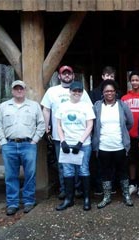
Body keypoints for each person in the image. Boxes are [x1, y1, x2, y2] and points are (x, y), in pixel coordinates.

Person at [0, 80, 45, 216]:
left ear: (25, 90)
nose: (19, 91)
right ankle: (12, 203)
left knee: (30, 174)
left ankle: (29, 201)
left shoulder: (34, 106)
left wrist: (34, 140)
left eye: (21, 88)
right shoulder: (4, 106)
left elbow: (41, 124)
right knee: (11, 176)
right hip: (9, 145)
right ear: (12, 91)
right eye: (16, 89)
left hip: (28, 145)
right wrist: (3, 142)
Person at [41, 65, 92, 200]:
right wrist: (47, 128)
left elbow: (89, 110)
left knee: (78, 164)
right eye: (64, 73)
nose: (67, 75)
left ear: (73, 75)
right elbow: (46, 109)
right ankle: (64, 189)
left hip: (79, 135)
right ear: (59, 76)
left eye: (69, 73)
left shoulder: (82, 91)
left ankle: (77, 189)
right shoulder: (52, 91)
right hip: (60, 136)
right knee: (63, 164)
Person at [92, 80, 134, 208]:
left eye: (111, 91)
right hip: (103, 146)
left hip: (120, 145)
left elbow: (130, 122)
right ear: (102, 93)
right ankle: (107, 196)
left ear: (115, 92)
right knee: (105, 172)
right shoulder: (97, 106)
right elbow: (93, 124)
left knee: (123, 171)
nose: (109, 93)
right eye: (106, 91)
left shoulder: (122, 105)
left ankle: (126, 195)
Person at [54, 82, 95, 211]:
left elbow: (90, 125)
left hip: (83, 144)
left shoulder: (86, 106)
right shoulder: (62, 106)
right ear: (70, 91)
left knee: (83, 170)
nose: (77, 93)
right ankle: (68, 199)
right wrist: (63, 141)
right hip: (67, 143)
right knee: (68, 171)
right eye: (74, 91)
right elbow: (59, 126)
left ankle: (87, 199)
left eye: (79, 91)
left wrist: (80, 142)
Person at [121, 71, 139, 198]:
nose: (135, 82)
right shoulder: (124, 99)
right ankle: (133, 184)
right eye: (132, 80)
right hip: (129, 135)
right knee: (131, 161)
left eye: (137, 80)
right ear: (130, 82)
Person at [90, 66, 116, 195]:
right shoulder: (94, 93)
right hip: (98, 131)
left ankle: (112, 186)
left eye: (111, 76)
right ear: (102, 76)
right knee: (100, 161)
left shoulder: (118, 93)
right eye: (106, 76)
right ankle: (100, 187)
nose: (108, 78)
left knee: (113, 161)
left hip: (114, 131)